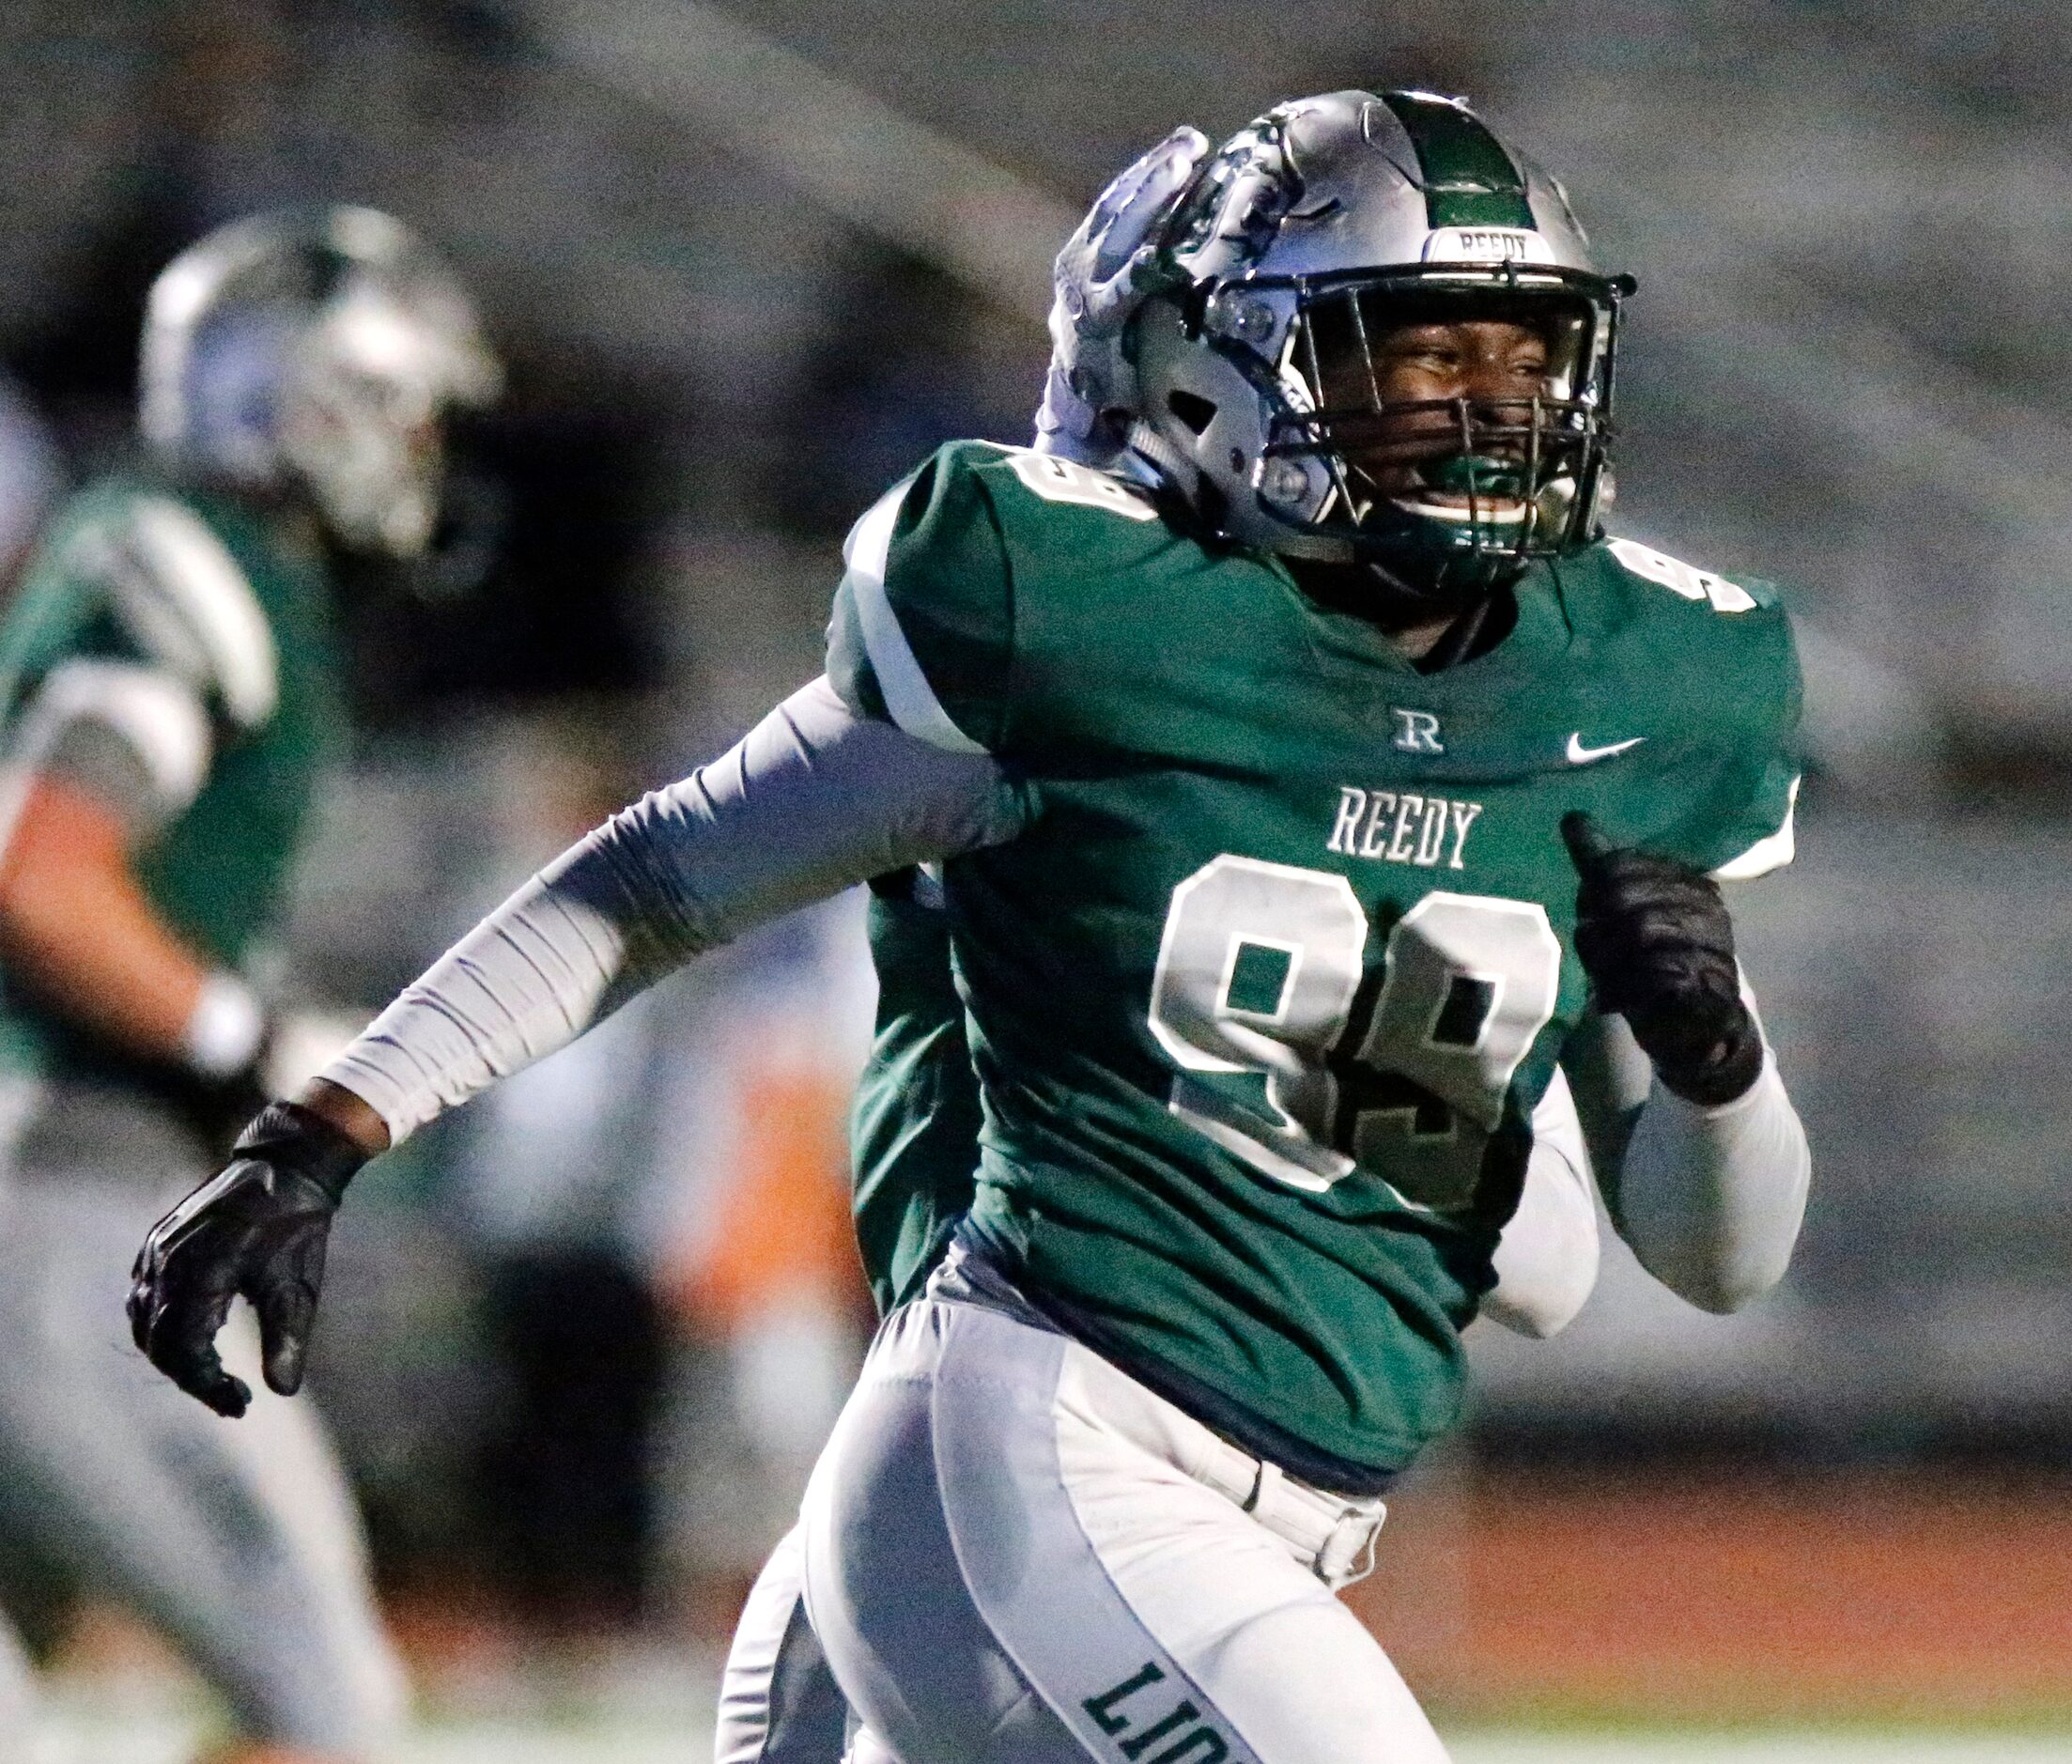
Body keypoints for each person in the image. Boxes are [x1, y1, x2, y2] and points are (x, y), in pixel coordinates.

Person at [131, 91, 1812, 1764]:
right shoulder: (1071, 620)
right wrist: (321, 1130)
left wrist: (1716, 1063)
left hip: (1215, 1507)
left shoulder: (1641, 690)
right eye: (1419, 355)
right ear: (1205, 369)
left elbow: (1696, 1256)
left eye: (1522, 356)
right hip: (1051, 1452)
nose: (1490, 410)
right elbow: (651, 876)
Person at [0, 206, 498, 1763]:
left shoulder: (199, 558)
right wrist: (249, 1038)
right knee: (324, 1699)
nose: (419, 443)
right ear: (313, 395)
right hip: (58, 1195)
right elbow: (41, 872)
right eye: (404, 401)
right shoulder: (185, 562)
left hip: (64, 1183)